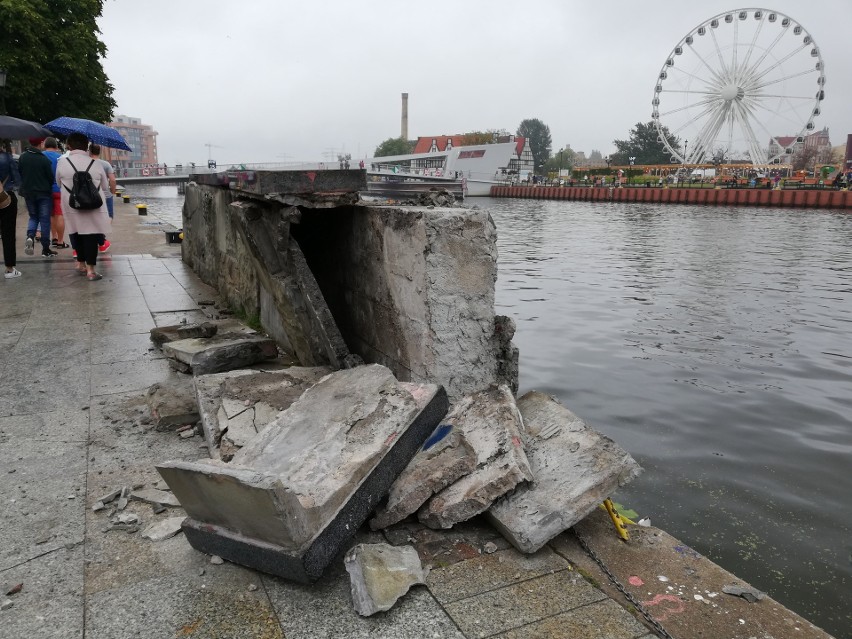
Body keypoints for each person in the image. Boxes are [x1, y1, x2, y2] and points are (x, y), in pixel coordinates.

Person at [56, 132, 111, 280]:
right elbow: (105, 186)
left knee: (75, 232)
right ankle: (91, 271)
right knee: (91, 235)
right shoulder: (96, 163)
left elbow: (58, 183)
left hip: (71, 204)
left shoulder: (62, 163)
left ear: (69, 145)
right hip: (93, 205)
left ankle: (80, 264)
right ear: (87, 145)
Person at [17, 137, 57, 258]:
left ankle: (30, 236)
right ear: (41, 143)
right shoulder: (43, 159)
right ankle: (45, 249)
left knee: (33, 217)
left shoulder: (23, 157)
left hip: (29, 193)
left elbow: (20, 173)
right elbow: (50, 178)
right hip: (44, 193)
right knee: (44, 220)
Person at [0, 139, 22, 278]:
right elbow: (17, 180)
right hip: (6, 197)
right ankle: (9, 268)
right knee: (8, 233)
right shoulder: (7, 157)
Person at [42, 138, 69, 249]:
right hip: (58, 189)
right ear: (56, 147)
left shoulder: (41, 156)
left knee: (51, 215)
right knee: (60, 215)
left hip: (45, 190)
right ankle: (60, 241)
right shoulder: (60, 158)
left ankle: (54, 238)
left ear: (45, 146)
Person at [89, 143, 115, 253]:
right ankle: (101, 237)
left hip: (91, 194)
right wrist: (112, 191)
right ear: (99, 152)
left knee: (94, 217)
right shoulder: (105, 164)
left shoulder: (87, 164)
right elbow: (112, 180)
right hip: (105, 194)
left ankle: (99, 237)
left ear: (89, 152)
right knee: (109, 215)